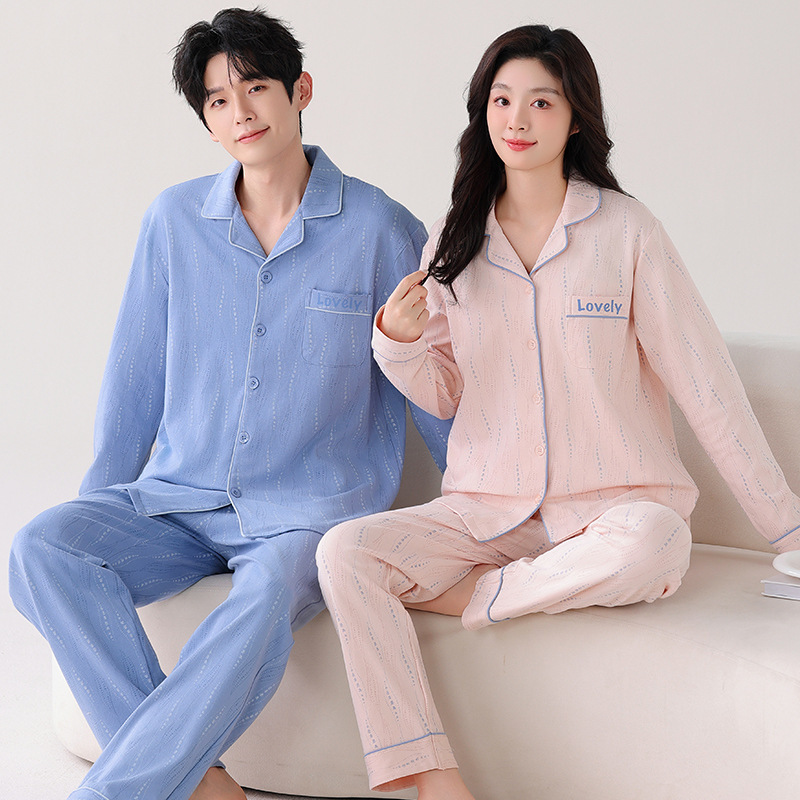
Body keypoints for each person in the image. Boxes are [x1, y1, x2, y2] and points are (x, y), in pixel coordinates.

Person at [316, 23, 800, 800]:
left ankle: (479, 596)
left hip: (613, 510)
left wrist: (789, 530)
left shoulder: (626, 231)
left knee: (657, 543)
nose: (518, 119)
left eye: (541, 102)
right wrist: (397, 343)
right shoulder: (453, 241)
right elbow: (446, 394)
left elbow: (707, 386)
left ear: (576, 117)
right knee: (346, 551)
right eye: (502, 100)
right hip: (487, 509)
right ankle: (432, 776)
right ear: (483, 112)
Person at [8, 8, 448, 800]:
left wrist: (482, 515)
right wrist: (100, 508)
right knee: (43, 547)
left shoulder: (381, 228)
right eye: (217, 99)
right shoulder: (173, 221)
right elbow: (133, 382)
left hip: (307, 515)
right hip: (178, 501)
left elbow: (428, 384)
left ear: (300, 91)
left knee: (266, 595)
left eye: (255, 87)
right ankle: (202, 780)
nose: (239, 111)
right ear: (207, 120)